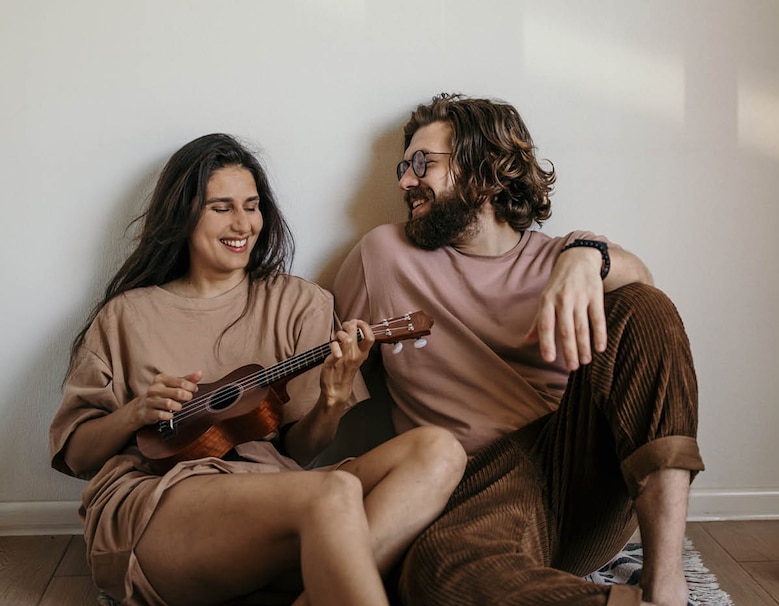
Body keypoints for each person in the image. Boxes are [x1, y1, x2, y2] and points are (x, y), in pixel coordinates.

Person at [49, 133, 466, 606]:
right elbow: (78, 457)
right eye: (221, 207)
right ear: (183, 214)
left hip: (273, 489)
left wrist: (331, 401)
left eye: (252, 205)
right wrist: (135, 412)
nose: (243, 222)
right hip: (158, 501)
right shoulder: (126, 315)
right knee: (333, 494)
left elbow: (299, 451)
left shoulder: (300, 302)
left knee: (439, 449)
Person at [333, 94, 704, 606]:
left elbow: (644, 296)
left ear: (487, 169)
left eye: (423, 164)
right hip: (470, 491)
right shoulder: (382, 256)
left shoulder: (564, 254)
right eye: (404, 165)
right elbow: (327, 380)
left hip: (573, 472)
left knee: (643, 304)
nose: (404, 182)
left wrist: (585, 258)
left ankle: (666, 586)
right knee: (439, 573)